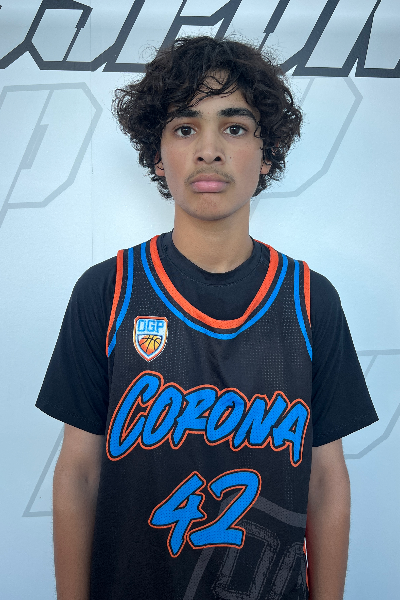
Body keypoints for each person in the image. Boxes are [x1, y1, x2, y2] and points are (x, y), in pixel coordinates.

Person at [36, 35, 378, 600]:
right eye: (185, 128)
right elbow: (79, 473)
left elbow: (324, 480)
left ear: (267, 154)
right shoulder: (107, 292)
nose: (209, 150)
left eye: (235, 128)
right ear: (156, 155)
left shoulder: (311, 300)